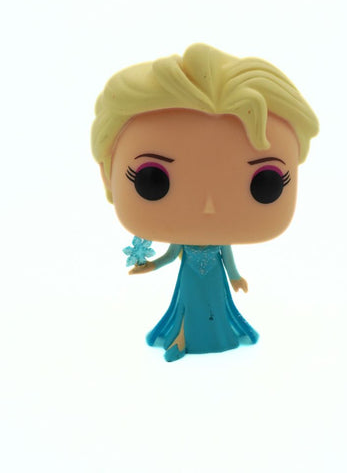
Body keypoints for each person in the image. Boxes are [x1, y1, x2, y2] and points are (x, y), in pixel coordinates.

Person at [91, 43, 319, 361]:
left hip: (213, 280)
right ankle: (182, 340)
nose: (208, 207)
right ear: (107, 174)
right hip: (191, 280)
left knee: (215, 306)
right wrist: (151, 265)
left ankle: (209, 338)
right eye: (152, 180)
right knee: (188, 305)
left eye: (265, 184)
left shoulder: (215, 241)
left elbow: (228, 260)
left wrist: (235, 277)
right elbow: (170, 256)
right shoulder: (183, 240)